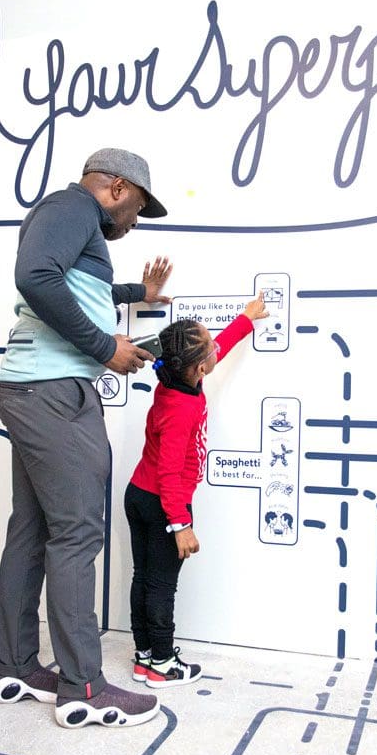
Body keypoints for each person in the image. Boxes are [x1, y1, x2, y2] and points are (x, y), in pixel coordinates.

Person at [0, 147, 172, 729]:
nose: (134, 222)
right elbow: (35, 277)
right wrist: (103, 347)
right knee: (75, 534)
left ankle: (15, 666)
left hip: (31, 388)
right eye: (138, 208)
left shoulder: (66, 218)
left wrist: (133, 296)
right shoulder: (74, 207)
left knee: (34, 528)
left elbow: (70, 281)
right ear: (116, 188)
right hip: (55, 391)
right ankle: (83, 690)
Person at [124, 293, 268, 687]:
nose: (215, 347)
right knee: (161, 585)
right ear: (200, 368)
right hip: (161, 502)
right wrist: (180, 524)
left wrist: (245, 318)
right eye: (208, 346)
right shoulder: (180, 408)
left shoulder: (176, 380)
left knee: (145, 577)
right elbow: (170, 474)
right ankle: (163, 663)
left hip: (141, 494)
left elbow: (219, 347)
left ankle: (144, 656)